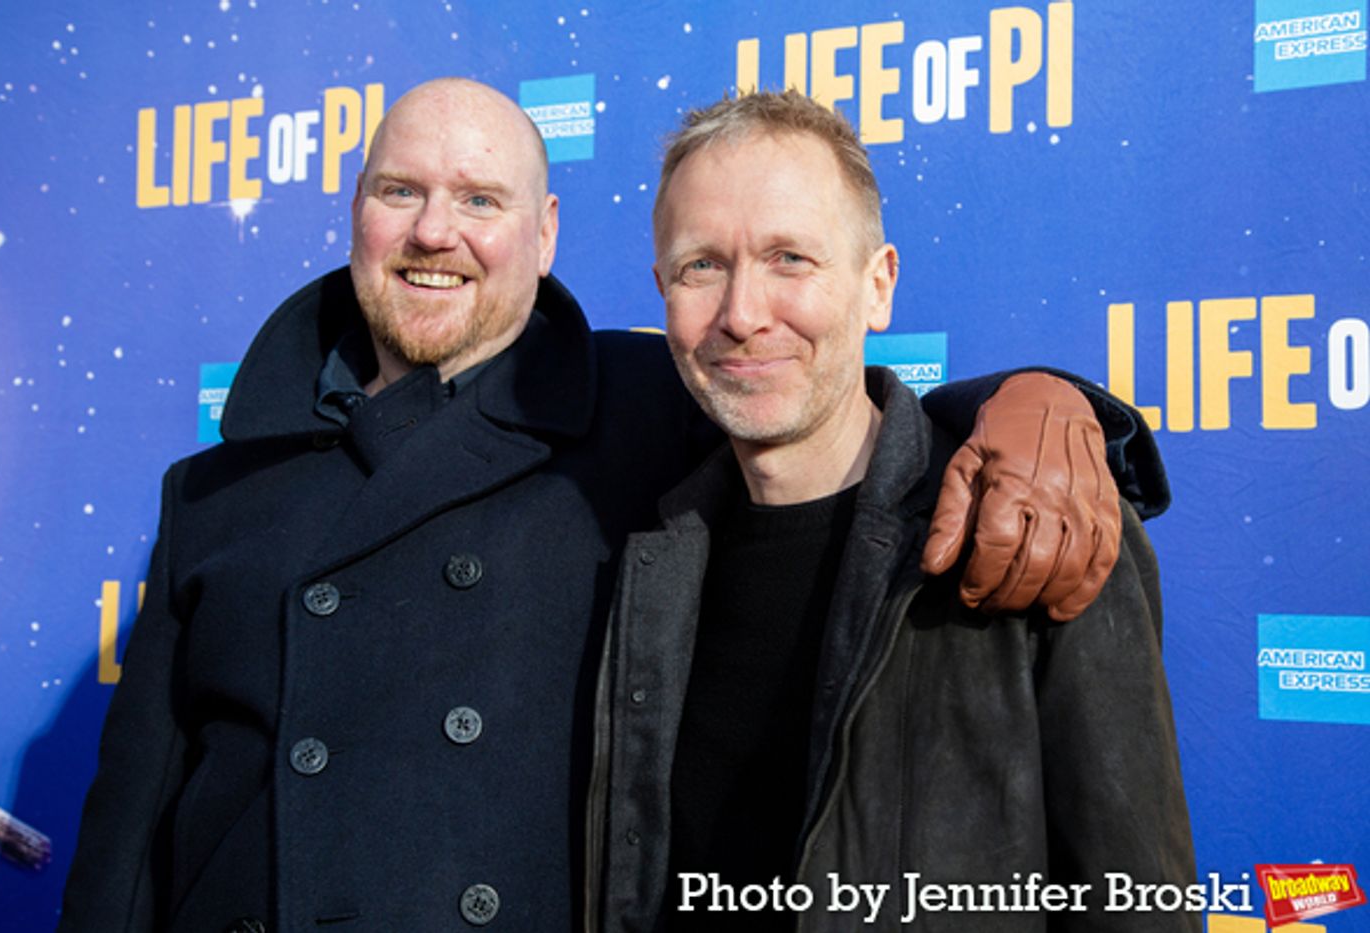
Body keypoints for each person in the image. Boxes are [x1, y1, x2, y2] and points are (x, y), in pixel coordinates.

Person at [59, 79, 1167, 932]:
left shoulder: (629, 414)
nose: (436, 232)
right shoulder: (216, 489)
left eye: (481, 199)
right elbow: (123, 843)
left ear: (542, 236)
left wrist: (1045, 403)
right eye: (400, 192)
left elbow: (833, 407)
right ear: (355, 215)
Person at [585, 91, 1195, 932]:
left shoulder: (1032, 525)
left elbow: (1137, 905)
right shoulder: (641, 546)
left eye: (790, 258)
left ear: (879, 286)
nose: (742, 314)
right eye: (702, 266)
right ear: (661, 289)